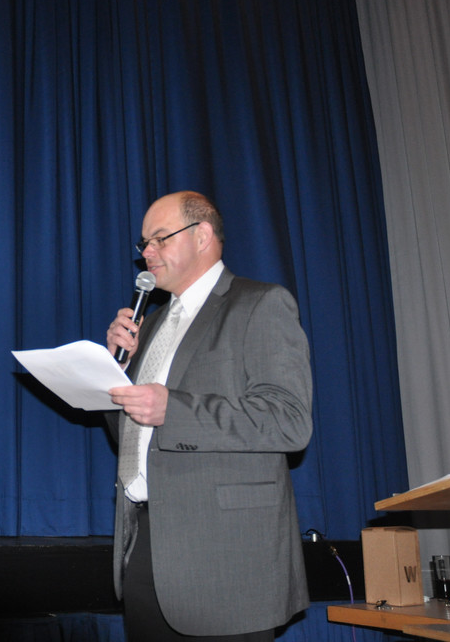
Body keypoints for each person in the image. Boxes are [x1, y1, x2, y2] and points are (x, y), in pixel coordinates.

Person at [105, 191, 312, 641]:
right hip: (144, 545)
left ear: (202, 236)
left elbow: (289, 420)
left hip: (225, 557)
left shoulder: (260, 304)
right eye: (143, 243)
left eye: (160, 238)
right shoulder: (151, 325)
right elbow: (129, 434)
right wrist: (115, 370)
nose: (146, 254)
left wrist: (173, 409)